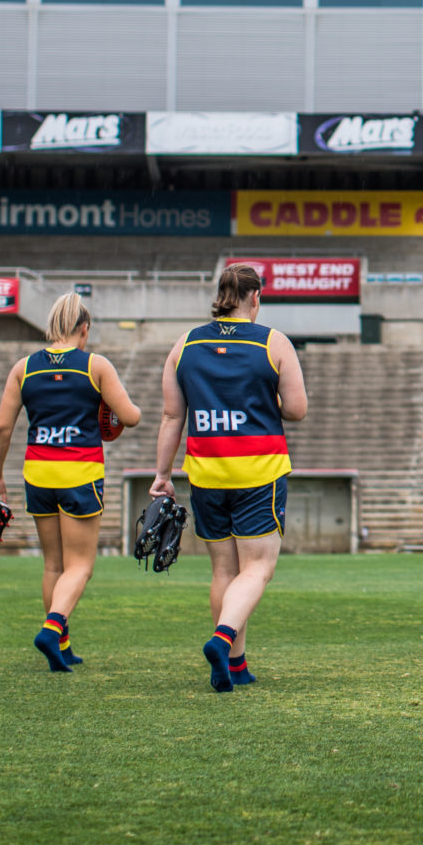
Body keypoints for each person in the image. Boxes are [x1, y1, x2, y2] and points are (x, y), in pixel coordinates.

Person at [151, 262, 308, 692]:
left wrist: (163, 475)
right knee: (257, 569)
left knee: (224, 570)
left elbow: (171, 416)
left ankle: (235, 666)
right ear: (254, 297)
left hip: (206, 472)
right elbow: (295, 409)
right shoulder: (273, 342)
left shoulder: (184, 344)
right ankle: (222, 641)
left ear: (220, 296)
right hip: (259, 471)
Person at [0, 292, 142, 672]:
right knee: (80, 567)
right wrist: (110, 406)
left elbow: (3, 427)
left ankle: (63, 646)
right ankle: (52, 629)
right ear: (83, 328)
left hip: (38, 472)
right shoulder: (96, 366)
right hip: (79, 473)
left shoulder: (24, 367)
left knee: (53, 564)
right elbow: (131, 417)